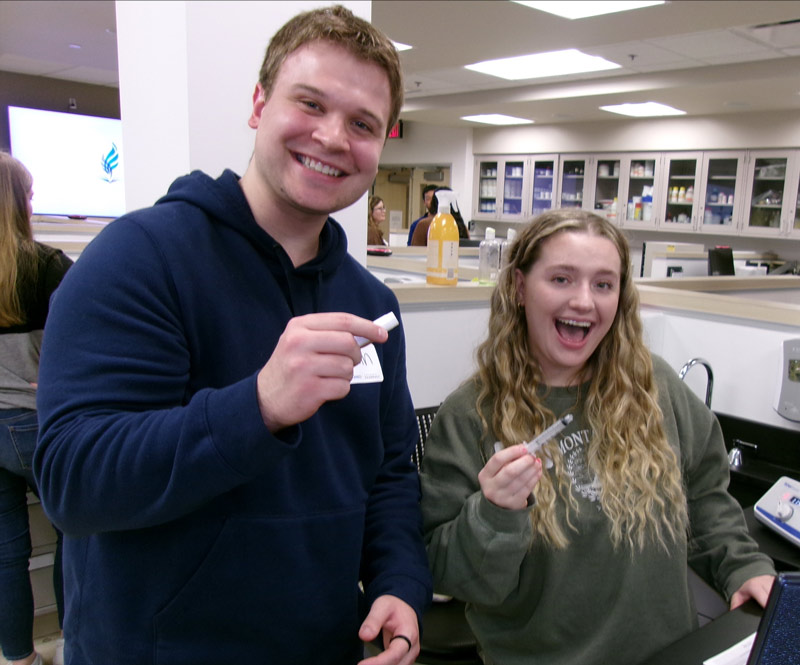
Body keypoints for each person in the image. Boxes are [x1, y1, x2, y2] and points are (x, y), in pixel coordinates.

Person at [33, 6, 431, 665]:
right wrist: (259, 407)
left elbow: (388, 475)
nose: (333, 137)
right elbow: (74, 480)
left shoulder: (371, 302)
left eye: (362, 123)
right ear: (258, 105)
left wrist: (401, 584)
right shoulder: (139, 259)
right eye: (310, 103)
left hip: (324, 643)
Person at [419, 209, 775, 665]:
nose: (584, 302)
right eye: (562, 279)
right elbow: (453, 578)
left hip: (671, 653)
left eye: (603, 284)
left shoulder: (656, 386)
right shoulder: (470, 415)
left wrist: (740, 565)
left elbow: (706, 496)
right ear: (520, 288)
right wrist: (494, 514)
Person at [0, 152, 71, 665]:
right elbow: (84, 344)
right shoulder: (46, 266)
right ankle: (76, 642)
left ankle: (18, 657)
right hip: (33, 421)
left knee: (6, 555)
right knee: (78, 531)